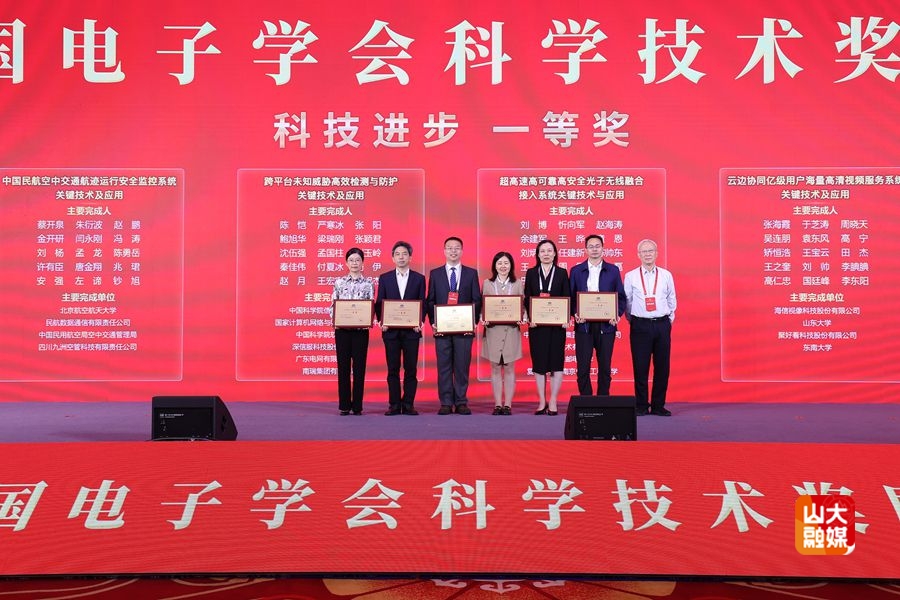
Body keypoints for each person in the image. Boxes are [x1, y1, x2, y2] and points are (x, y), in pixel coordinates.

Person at [426, 236, 482, 415]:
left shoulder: (471, 273)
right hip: (442, 329)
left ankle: (461, 402)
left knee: (462, 366)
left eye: (457, 248)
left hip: (464, 329)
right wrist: (434, 322)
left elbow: (476, 299)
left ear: (462, 251)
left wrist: (472, 322)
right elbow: (431, 300)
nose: (453, 251)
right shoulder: (435, 274)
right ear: (444, 251)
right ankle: (445, 402)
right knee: (443, 366)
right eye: (449, 248)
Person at [624, 239, 677, 416]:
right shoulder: (631, 276)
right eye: (644, 251)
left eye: (651, 251)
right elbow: (628, 301)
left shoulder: (666, 275)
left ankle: (658, 405)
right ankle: (641, 405)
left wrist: (668, 320)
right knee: (640, 366)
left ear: (656, 253)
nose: (647, 254)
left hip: (662, 324)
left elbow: (671, 299)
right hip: (640, 325)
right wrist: (634, 320)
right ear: (638, 255)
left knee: (662, 367)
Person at [569, 234, 627, 396]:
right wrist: (575, 313)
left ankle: (603, 400)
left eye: (597, 246)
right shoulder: (576, 271)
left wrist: (616, 314)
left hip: (606, 326)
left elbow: (621, 297)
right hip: (584, 326)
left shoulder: (613, 270)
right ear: (585, 249)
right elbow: (571, 298)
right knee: (583, 367)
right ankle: (586, 400)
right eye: (591, 246)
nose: (594, 249)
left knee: (605, 367)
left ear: (603, 248)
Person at [374, 241, 426, 416]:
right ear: (393, 258)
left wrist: (420, 322)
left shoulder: (419, 278)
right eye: (397, 254)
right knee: (393, 369)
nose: (401, 257)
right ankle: (394, 405)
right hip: (391, 331)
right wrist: (382, 320)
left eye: (404, 254)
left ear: (410, 257)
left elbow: (422, 303)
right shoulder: (385, 278)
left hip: (412, 331)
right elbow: (380, 302)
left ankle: (409, 404)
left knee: (411, 369)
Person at [523, 238, 570, 416]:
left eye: (549, 250)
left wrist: (566, 317)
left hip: (557, 326)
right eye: (542, 251)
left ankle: (553, 400)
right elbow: (527, 298)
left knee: (556, 363)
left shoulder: (562, 273)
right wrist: (529, 317)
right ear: (537, 254)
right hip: (537, 326)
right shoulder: (531, 273)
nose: (546, 254)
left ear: (555, 253)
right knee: (539, 363)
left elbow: (567, 296)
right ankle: (542, 401)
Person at [330, 247, 375, 416]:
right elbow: (333, 305)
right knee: (343, 367)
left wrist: (368, 319)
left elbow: (371, 305)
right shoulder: (339, 282)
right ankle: (344, 405)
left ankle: (357, 406)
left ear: (362, 263)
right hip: (342, 330)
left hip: (360, 331)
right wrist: (335, 320)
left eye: (357, 260)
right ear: (346, 263)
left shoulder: (368, 283)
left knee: (359, 368)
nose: (354, 263)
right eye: (351, 260)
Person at [480, 251, 524, 415]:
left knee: (510, 367)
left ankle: (508, 405)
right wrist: (482, 317)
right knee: (495, 368)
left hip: (511, 330)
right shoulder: (487, 283)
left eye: (506, 263)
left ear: (511, 265)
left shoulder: (517, 283)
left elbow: (523, 306)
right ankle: (498, 404)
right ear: (494, 266)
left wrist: (523, 317)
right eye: (499, 263)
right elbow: (483, 306)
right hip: (493, 330)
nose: (503, 266)